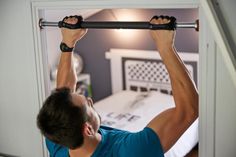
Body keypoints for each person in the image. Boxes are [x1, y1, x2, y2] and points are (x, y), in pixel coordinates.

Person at [37, 15, 198, 157]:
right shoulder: (130, 150)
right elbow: (189, 110)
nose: (91, 100)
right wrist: (165, 47)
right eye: (87, 104)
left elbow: (63, 93)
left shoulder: (57, 139)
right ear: (87, 130)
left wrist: (67, 43)